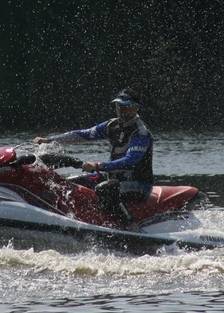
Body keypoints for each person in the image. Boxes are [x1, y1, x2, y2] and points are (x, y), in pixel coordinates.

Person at [33, 88, 153, 231]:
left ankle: (132, 227)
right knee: (66, 183)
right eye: (118, 105)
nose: (120, 109)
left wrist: (97, 165)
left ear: (135, 107)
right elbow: (82, 135)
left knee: (105, 188)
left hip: (138, 184)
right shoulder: (111, 126)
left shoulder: (140, 133)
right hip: (114, 178)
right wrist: (49, 140)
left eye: (125, 105)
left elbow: (130, 161)